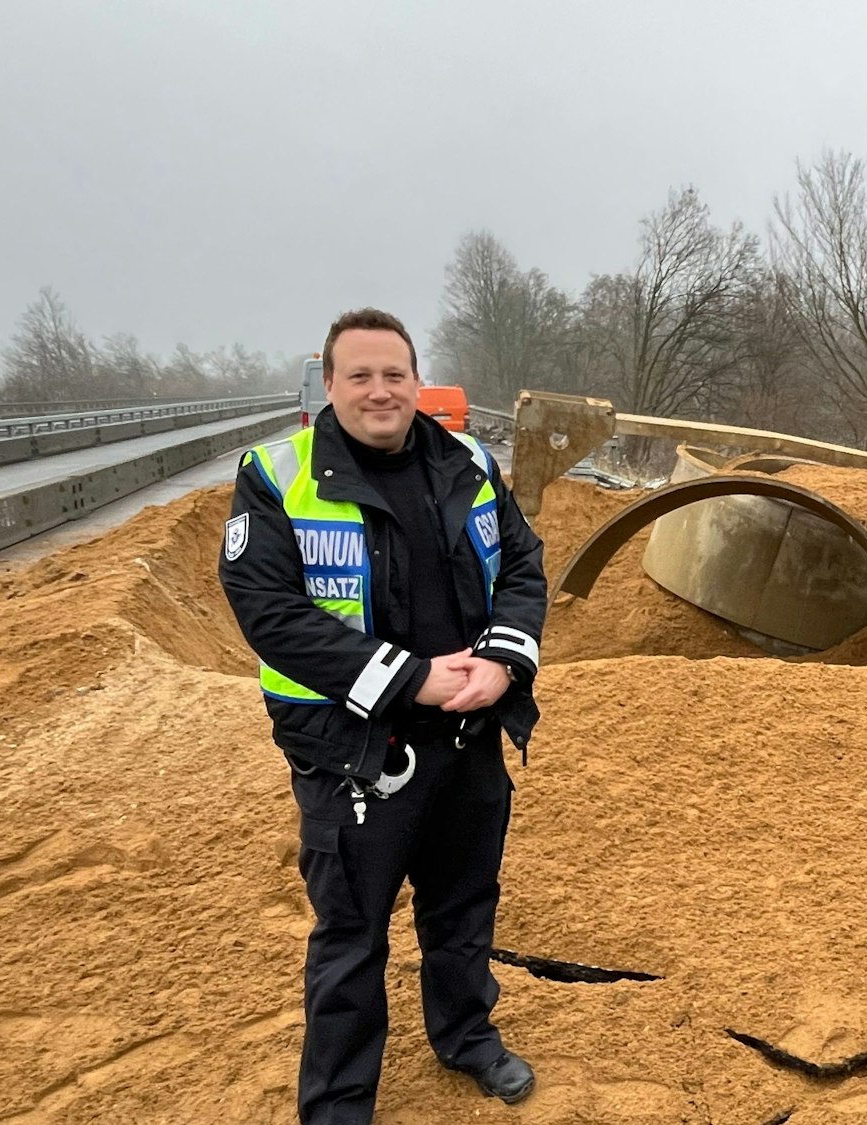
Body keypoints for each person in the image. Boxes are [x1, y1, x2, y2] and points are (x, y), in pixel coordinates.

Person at [219, 308, 548, 1124]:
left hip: (468, 737)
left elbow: (524, 563)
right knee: (352, 933)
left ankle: (467, 1036)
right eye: (359, 375)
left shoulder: (468, 459)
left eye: (394, 374)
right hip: (354, 749)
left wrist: (504, 660)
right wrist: (412, 681)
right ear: (329, 384)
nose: (379, 390)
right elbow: (270, 611)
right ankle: (337, 1102)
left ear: (416, 380)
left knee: (464, 906)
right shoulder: (276, 474)